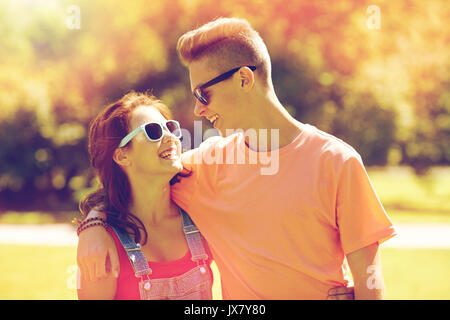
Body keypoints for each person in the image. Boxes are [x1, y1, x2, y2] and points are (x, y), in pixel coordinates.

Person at [78, 17, 397, 299]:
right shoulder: (204, 167)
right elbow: (135, 181)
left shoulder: (338, 163)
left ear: (244, 79)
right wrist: (93, 224)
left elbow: (371, 278)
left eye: (203, 94)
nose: (198, 109)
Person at [76, 91, 213, 300]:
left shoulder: (201, 213)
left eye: (170, 127)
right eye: (153, 131)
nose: (170, 137)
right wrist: (93, 223)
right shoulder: (103, 246)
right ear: (122, 155)